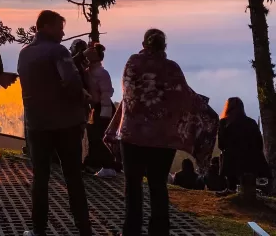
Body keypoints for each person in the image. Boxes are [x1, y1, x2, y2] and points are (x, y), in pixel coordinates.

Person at [105, 28, 218, 236]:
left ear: (144, 44)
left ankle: (130, 231)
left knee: (133, 186)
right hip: (163, 139)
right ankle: (159, 231)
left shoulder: (133, 63)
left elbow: (128, 92)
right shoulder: (172, 69)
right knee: (158, 186)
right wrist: (206, 110)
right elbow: (184, 97)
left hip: (132, 136)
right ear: (163, 46)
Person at [17, 11, 91, 236]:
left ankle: (38, 229)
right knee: (73, 177)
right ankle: (84, 228)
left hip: (37, 124)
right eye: (59, 28)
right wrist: (82, 99)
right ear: (46, 26)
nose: (63, 32)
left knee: (40, 178)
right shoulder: (58, 51)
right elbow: (70, 80)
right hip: (66, 123)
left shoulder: (24, 54)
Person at [218, 96, 271, 191]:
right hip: (251, 161)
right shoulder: (251, 122)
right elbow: (259, 144)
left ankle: (231, 189)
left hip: (231, 162)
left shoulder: (223, 123)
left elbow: (221, 145)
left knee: (225, 155)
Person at [84, 43, 116, 178]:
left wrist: (105, 113)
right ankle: (94, 163)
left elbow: (106, 94)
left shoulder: (101, 73)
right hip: (95, 108)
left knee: (100, 137)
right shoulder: (88, 71)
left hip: (103, 108)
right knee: (93, 136)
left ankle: (109, 166)